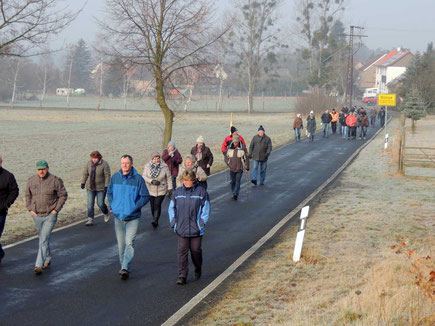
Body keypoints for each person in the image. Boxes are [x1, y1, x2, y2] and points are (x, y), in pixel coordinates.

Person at [107, 155, 149, 280]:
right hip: (118, 217)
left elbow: (145, 196)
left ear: (131, 164)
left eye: (127, 163)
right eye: (122, 163)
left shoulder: (138, 179)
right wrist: (113, 205)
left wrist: (135, 207)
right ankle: (123, 267)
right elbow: (109, 192)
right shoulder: (115, 178)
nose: (124, 165)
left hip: (133, 217)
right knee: (121, 246)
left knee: (129, 243)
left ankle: (125, 267)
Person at [25, 160, 68, 275]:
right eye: (39, 169)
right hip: (36, 215)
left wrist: (55, 210)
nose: (41, 171)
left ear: (47, 168)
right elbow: (27, 195)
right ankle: (47, 258)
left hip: (50, 215)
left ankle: (38, 264)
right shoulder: (31, 180)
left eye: (43, 169)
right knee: (42, 238)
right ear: (36, 170)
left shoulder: (55, 180)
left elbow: (63, 195)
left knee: (43, 239)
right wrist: (30, 209)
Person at [168, 170, 210, 285]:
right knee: (182, 252)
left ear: (193, 180)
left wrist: (201, 223)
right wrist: (174, 223)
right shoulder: (177, 192)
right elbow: (172, 209)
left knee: (196, 251)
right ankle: (182, 275)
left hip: (196, 229)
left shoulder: (201, 192)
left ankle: (198, 267)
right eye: (184, 180)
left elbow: (206, 209)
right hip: (181, 229)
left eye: (189, 180)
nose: (186, 182)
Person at [80, 151, 111, 226]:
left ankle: (106, 213)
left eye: (95, 158)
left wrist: (107, 185)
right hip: (90, 187)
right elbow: (85, 174)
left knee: (100, 203)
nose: (94, 160)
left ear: (99, 157)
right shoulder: (89, 164)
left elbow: (107, 175)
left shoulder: (104, 164)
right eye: (93, 158)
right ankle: (90, 219)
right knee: (90, 204)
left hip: (101, 188)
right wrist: (83, 182)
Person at [143, 152, 172, 228]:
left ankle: (155, 220)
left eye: (158, 158)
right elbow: (144, 176)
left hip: (161, 189)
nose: (156, 160)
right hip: (150, 189)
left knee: (157, 204)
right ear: (152, 159)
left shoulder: (164, 166)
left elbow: (168, 177)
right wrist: (151, 181)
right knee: (152, 206)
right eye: (155, 158)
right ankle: (154, 217)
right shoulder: (147, 166)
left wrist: (170, 188)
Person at [0, 155, 19, 265]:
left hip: (1, 212)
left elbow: (14, 192)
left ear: (1, 162)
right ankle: (0, 252)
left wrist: (5, 205)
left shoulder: (8, 176)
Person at [224, 134, 249, 200]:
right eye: (234, 142)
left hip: (239, 168)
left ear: (238, 142)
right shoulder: (229, 148)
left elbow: (246, 158)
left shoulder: (243, 148)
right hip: (231, 168)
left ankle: (236, 193)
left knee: (238, 181)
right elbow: (226, 157)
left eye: (237, 142)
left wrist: (247, 167)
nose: (235, 144)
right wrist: (228, 163)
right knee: (233, 181)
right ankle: (233, 192)